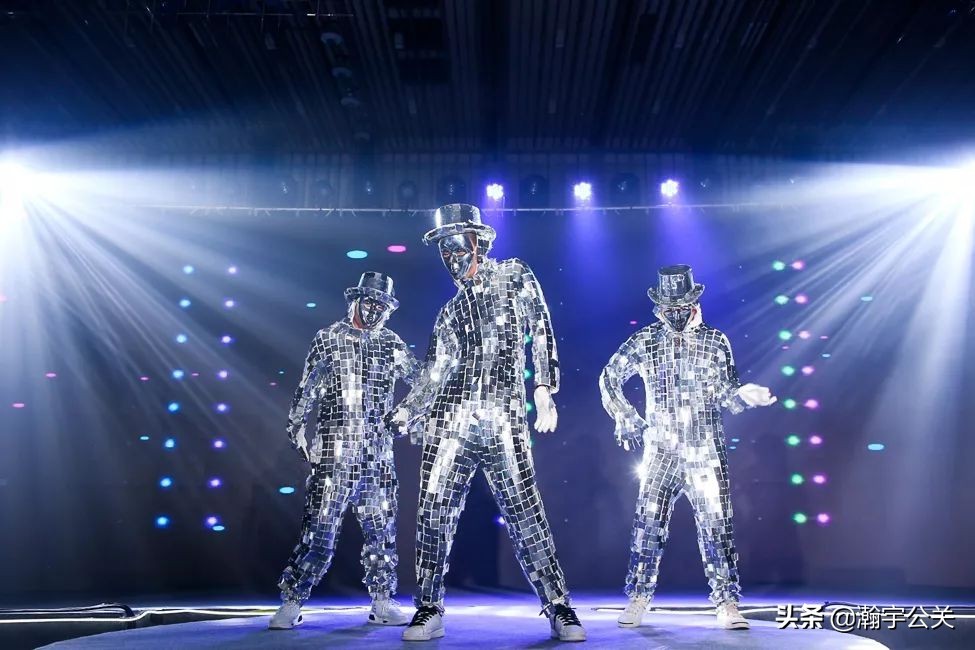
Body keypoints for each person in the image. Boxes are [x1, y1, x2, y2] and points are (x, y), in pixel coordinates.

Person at [387, 203, 586, 642]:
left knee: (525, 510)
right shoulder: (449, 313)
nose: (451, 257)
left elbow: (540, 327)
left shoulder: (514, 275)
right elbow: (435, 372)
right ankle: (428, 606)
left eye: (457, 246)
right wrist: (407, 409)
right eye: (444, 250)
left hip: (503, 418)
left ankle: (558, 605)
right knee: (433, 511)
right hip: (450, 422)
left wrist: (543, 388)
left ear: (478, 242)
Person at [599, 264, 776, 631]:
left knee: (717, 525)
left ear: (694, 304)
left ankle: (727, 602)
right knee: (648, 524)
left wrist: (744, 394)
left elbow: (725, 390)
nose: (677, 314)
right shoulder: (646, 341)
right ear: (660, 308)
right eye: (670, 309)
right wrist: (625, 417)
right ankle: (638, 597)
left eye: (682, 307)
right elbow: (610, 376)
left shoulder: (715, 342)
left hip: (705, 450)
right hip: (661, 450)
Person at [269, 272, 419, 630]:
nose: (374, 310)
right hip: (334, 455)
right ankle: (292, 600)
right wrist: (296, 428)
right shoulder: (328, 338)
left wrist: (408, 414)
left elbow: (421, 380)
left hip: (377, 457)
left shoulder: (391, 343)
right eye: (369, 302)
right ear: (355, 301)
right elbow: (306, 388)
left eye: (381, 305)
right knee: (319, 531)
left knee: (381, 532)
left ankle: (382, 601)